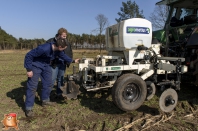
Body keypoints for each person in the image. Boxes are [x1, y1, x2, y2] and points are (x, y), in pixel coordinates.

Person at [24, 37, 79, 117]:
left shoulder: (57, 50)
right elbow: (29, 55)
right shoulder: (43, 48)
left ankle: (45, 100)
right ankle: (28, 108)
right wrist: (29, 69)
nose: (64, 50)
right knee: (32, 86)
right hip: (35, 65)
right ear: (60, 47)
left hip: (46, 65)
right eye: (64, 48)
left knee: (48, 83)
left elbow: (63, 56)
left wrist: (73, 61)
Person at [46, 28, 73, 99]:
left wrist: (68, 61)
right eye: (64, 36)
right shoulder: (51, 41)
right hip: (54, 64)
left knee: (60, 79)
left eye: (66, 36)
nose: (65, 37)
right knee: (52, 79)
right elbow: (46, 52)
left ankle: (59, 94)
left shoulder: (67, 42)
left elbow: (69, 52)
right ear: (59, 35)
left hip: (63, 63)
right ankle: (47, 96)